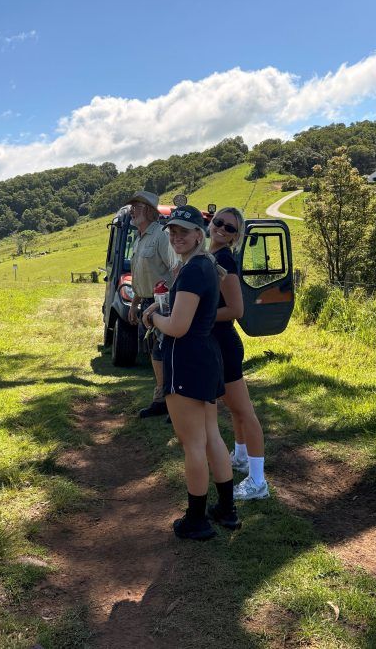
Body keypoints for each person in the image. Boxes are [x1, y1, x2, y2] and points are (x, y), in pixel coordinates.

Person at [143, 205, 240, 540]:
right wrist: (164, 308)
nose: (176, 236)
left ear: (200, 234)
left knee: (194, 443)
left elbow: (179, 327)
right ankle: (226, 509)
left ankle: (196, 520)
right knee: (211, 436)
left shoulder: (195, 269)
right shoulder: (203, 266)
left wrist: (151, 317)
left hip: (188, 360)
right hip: (206, 358)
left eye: (183, 231)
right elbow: (189, 313)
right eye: (171, 231)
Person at [208, 207, 269, 501]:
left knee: (245, 412)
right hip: (217, 345)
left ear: (236, 236)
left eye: (230, 228)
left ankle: (258, 482)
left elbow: (236, 310)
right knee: (234, 408)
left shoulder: (225, 262)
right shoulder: (211, 256)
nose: (221, 229)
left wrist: (199, 316)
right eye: (218, 222)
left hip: (225, 345)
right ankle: (242, 457)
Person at [126, 190, 172, 418]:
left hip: (162, 305)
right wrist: (135, 303)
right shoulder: (139, 238)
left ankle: (173, 404)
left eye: (138, 206)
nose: (132, 210)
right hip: (145, 303)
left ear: (151, 211)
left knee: (165, 353)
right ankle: (161, 400)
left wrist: (164, 302)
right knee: (155, 354)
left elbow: (175, 271)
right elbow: (140, 275)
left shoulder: (162, 236)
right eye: (132, 206)